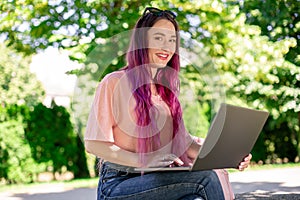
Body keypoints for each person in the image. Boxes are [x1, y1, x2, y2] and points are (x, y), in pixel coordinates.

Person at [84, 7, 252, 200]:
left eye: (172, 40)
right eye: (159, 38)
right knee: (206, 178)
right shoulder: (113, 82)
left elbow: (186, 145)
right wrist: (145, 160)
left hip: (156, 180)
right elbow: (94, 144)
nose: (167, 47)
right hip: (117, 185)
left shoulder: (166, 93)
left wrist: (230, 157)